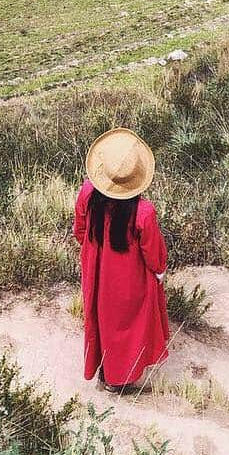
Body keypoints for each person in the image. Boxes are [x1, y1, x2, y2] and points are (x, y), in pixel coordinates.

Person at [74, 128, 169, 392]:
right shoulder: (143, 212)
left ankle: (104, 371)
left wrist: (95, 253)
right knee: (127, 325)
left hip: (96, 268)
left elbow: (79, 231)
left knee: (100, 317)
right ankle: (120, 380)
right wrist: (159, 272)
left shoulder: (87, 193)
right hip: (129, 275)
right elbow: (153, 254)